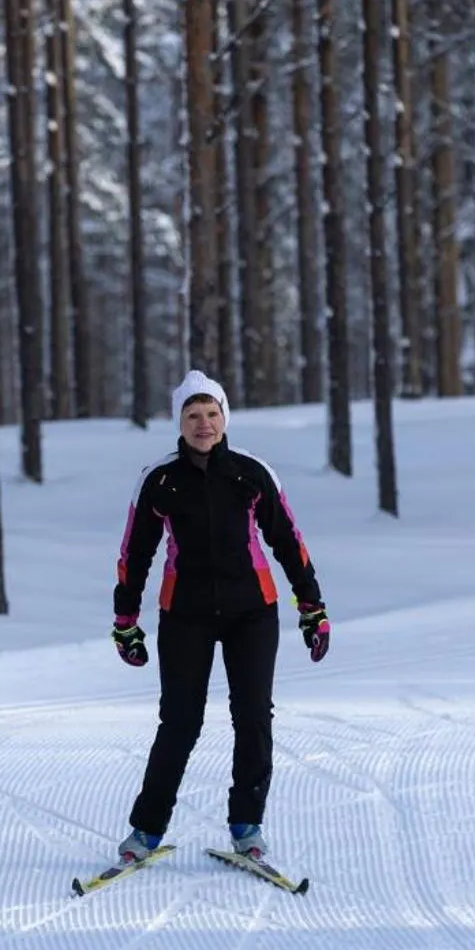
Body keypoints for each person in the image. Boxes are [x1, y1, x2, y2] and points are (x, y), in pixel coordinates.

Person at [109, 370, 330, 865]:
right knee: (180, 722)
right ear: (179, 423)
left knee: (252, 717)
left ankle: (247, 828)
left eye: (211, 414)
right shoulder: (159, 480)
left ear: (225, 417)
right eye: (193, 415)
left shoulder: (252, 474)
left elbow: (288, 542)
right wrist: (126, 620)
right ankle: (144, 832)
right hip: (184, 614)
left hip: (252, 612)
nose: (204, 424)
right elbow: (135, 554)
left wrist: (311, 607)